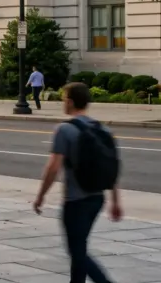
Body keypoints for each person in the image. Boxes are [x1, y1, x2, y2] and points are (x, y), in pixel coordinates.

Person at [34, 82, 121, 283]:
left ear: (71, 102)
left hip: (75, 200)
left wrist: (41, 196)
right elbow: (112, 167)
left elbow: (53, 167)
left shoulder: (64, 129)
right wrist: (116, 201)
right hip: (97, 199)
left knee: (77, 250)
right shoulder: (103, 130)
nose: (63, 102)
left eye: (64, 99)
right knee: (79, 247)